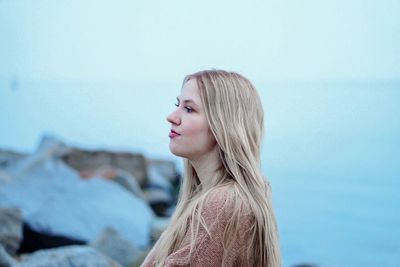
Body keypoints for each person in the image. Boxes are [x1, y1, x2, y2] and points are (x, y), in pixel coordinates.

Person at [141, 70, 281, 267]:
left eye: (189, 109)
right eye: (177, 105)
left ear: (223, 125)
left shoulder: (222, 203)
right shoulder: (231, 195)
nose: (172, 117)